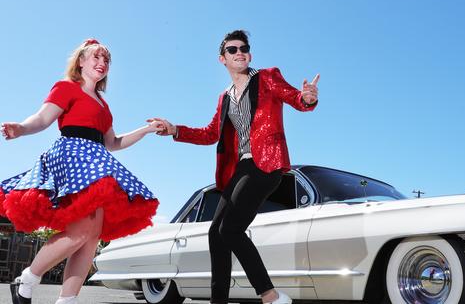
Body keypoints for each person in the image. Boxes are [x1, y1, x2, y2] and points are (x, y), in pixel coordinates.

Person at [151, 30, 319, 304]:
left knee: (229, 230)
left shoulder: (267, 77)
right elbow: (210, 134)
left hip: (267, 163)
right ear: (222, 59)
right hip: (241, 169)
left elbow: (295, 98)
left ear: (249, 55)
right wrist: (175, 130)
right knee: (216, 235)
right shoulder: (225, 97)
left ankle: (271, 295)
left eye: (244, 48)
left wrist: (308, 98)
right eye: (232, 49)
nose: (239, 52)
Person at [0, 39, 163, 304]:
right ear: (81, 62)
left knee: (91, 237)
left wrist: (145, 130)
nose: (102, 63)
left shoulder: (103, 105)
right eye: (96, 57)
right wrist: (20, 128)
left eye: (106, 60)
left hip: (97, 163)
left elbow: (113, 143)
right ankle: (27, 279)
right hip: (73, 159)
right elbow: (42, 119)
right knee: (81, 232)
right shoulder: (66, 88)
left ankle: (67, 300)